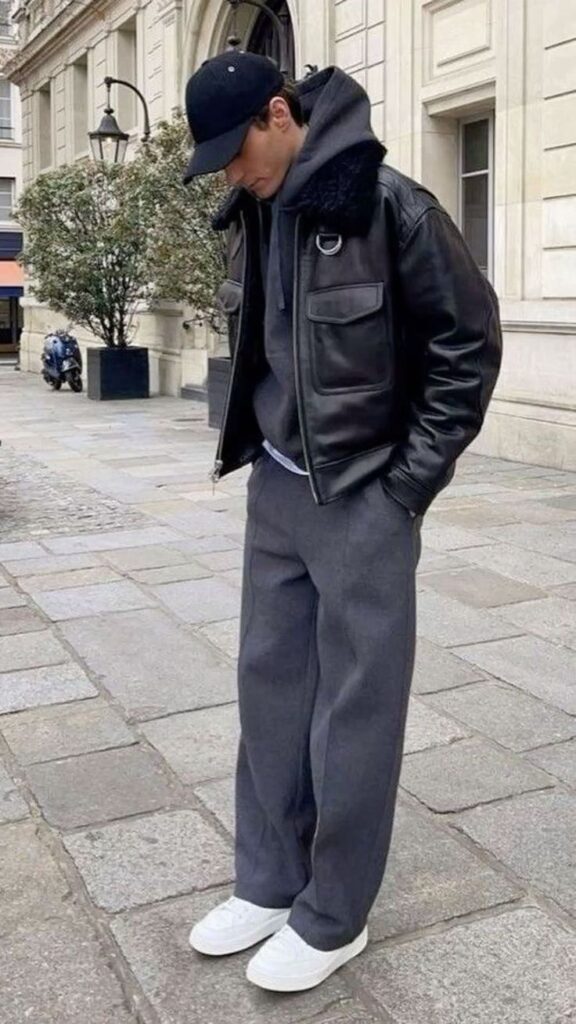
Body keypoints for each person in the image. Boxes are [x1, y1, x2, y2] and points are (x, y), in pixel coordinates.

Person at [183, 50, 502, 993]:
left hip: (365, 493)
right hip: (276, 488)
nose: (229, 172)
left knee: (355, 711)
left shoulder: (391, 205)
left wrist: (406, 486)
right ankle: (270, 882)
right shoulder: (254, 203)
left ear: (279, 114)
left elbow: (469, 345)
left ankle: (334, 914)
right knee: (268, 689)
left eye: (234, 150)